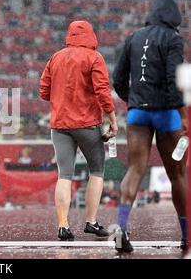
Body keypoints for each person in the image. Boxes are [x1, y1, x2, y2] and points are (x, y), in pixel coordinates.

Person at [112, 0, 188, 253]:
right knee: (177, 175)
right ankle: (187, 235)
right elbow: (175, 77)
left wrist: (132, 100)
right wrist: (181, 113)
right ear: (173, 17)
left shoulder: (133, 37)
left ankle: (121, 227)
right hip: (166, 113)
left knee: (134, 169)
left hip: (138, 113)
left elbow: (118, 78)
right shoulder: (173, 39)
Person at [40, 20, 118, 241]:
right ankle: (91, 222)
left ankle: (63, 225)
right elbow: (102, 91)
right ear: (91, 35)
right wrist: (112, 119)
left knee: (64, 174)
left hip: (60, 124)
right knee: (97, 170)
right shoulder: (95, 58)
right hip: (87, 124)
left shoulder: (56, 57)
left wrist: (60, 99)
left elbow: (44, 91)